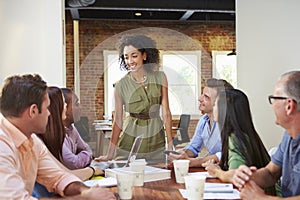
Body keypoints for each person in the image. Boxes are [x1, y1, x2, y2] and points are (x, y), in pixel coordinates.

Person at [0, 74, 115, 199]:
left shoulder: (32, 140)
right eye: (47, 108)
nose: (50, 113)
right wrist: (85, 197)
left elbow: (59, 177)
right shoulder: (3, 147)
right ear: (33, 111)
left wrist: (87, 191)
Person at [95, 34, 173, 163]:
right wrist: (109, 154)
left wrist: (170, 146)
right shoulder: (120, 85)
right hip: (130, 138)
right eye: (126, 57)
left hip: (156, 138)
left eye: (134, 56)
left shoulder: (160, 77)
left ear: (144, 55)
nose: (130, 61)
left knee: (157, 175)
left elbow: (166, 113)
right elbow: (118, 121)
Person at [232, 71, 300, 199]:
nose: (272, 105)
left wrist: (262, 198)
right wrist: (246, 177)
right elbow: (270, 173)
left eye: (274, 99)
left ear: (289, 106)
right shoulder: (288, 136)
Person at [202, 89, 277, 195]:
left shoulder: (235, 139)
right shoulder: (244, 135)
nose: (213, 108)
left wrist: (216, 172)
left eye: (215, 105)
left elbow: (236, 178)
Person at [34, 86, 103, 198]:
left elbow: (64, 175)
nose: (65, 107)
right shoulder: (36, 141)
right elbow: (69, 170)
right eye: (64, 104)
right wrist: (92, 171)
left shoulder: (41, 140)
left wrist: (87, 192)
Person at [169, 78, 233, 167]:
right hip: (213, 169)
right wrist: (180, 155)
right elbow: (193, 147)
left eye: (206, 97)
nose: (200, 99)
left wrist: (193, 162)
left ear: (220, 102)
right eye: (202, 94)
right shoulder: (203, 120)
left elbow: (226, 154)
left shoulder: (229, 124)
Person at [61, 88, 93, 170]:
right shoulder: (56, 134)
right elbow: (74, 163)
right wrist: (85, 156)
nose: (80, 107)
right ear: (64, 108)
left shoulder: (72, 128)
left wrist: (82, 155)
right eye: (76, 104)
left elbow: (87, 149)